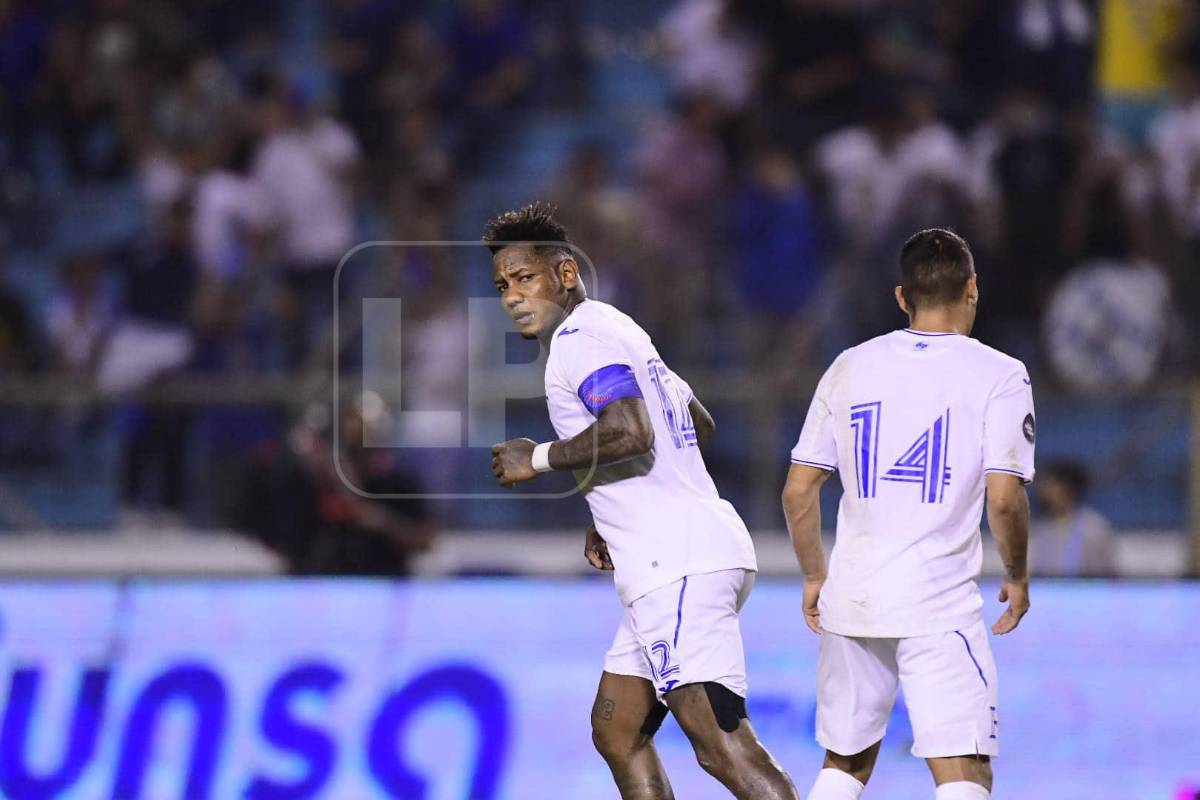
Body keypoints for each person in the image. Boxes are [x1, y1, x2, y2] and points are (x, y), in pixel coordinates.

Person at [485, 203, 798, 800]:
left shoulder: (579, 340)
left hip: (674, 565)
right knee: (617, 730)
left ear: (566, 273)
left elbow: (633, 430)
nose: (512, 296)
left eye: (525, 278)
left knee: (724, 748)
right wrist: (608, 503)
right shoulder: (618, 328)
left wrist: (541, 457)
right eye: (503, 285)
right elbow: (694, 422)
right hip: (681, 553)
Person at [782, 229, 1034, 800]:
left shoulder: (849, 365)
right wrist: (1016, 573)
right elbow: (1004, 496)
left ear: (902, 297)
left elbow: (799, 492)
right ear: (972, 288)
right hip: (937, 600)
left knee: (844, 763)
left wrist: (816, 575)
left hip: (853, 593)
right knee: (964, 771)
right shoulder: (999, 373)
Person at [1030, 461, 1116, 577]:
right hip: (1046, 592)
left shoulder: (1094, 528)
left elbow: (1107, 574)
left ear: (1066, 490)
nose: (1043, 492)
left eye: (1050, 486)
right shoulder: (1039, 528)